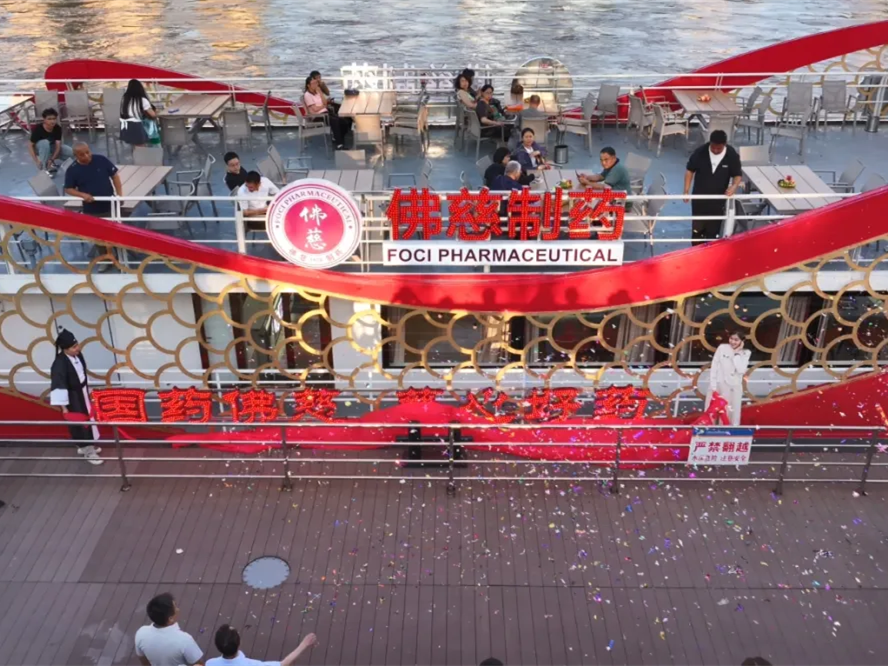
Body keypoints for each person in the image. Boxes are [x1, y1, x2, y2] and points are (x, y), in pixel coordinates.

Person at [64, 143, 122, 270]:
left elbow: (115, 176)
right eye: (82, 154)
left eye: (87, 152)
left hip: (110, 205)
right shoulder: (72, 170)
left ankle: (119, 258)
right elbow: (68, 189)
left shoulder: (101, 160)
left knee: (114, 233)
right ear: (75, 156)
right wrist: (82, 195)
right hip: (92, 209)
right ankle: (106, 259)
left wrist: (119, 195)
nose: (86, 156)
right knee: (98, 235)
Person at [49, 328, 103, 465]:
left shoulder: (78, 355)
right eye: (74, 347)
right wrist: (64, 407)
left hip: (83, 392)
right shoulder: (59, 364)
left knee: (89, 419)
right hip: (72, 397)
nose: (77, 348)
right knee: (81, 423)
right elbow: (58, 384)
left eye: (77, 345)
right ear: (65, 349)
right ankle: (88, 450)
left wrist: (89, 390)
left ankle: (87, 446)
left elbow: (82, 374)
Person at [684, 129, 742, 245]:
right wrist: (686, 191)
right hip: (699, 200)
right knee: (697, 231)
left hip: (718, 201)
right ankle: (696, 251)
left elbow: (737, 175)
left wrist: (734, 186)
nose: (715, 150)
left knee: (713, 232)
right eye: (713, 147)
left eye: (718, 148)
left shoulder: (731, 155)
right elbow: (690, 170)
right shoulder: (700, 152)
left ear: (724, 145)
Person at [135, 593, 203, 666]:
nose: (178, 609)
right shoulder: (185, 640)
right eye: (176, 607)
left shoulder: (141, 633)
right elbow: (198, 664)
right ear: (170, 618)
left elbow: (143, 660)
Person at [206, 624, 317, 666]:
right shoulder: (251, 664)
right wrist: (304, 644)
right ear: (239, 642)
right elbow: (283, 664)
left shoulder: (210, 663)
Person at [705, 330, 751, 426]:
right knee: (713, 410)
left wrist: (737, 353)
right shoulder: (722, 348)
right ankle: (709, 429)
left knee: (731, 411)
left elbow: (741, 370)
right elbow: (714, 366)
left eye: (736, 340)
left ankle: (729, 430)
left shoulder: (746, 352)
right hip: (718, 383)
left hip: (733, 386)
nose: (733, 342)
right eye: (731, 339)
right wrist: (713, 385)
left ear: (742, 341)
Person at [303, 75, 351, 149]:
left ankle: (337, 138)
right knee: (335, 121)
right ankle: (339, 144)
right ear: (308, 85)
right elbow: (315, 109)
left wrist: (320, 92)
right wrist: (324, 106)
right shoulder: (307, 95)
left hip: (325, 113)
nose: (315, 85)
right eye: (313, 83)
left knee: (344, 121)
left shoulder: (317, 92)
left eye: (316, 83)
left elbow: (325, 102)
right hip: (318, 116)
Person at [28, 107, 72, 172]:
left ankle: (71, 167)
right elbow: (30, 145)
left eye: (54, 119)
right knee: (45, 143)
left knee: (72, 152)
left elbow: (58, 146)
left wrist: (52, 159)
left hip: (51, 147)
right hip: (40, 149)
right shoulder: (38, 129)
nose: (52, 121)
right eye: (49, 119)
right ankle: (44, 169)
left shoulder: (57, 128)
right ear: (44, 119)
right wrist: (36, 161)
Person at [120, 78, 157, 147]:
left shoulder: (124, 99)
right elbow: (153, 115)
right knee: (141, 147)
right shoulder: (142, 100)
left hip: (125, 126)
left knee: (135, 146)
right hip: (136, 126)